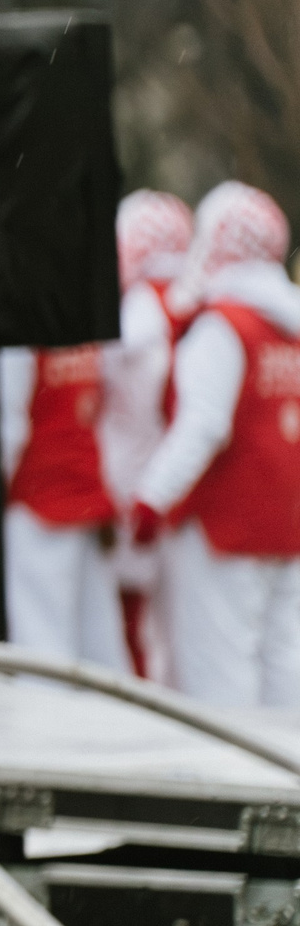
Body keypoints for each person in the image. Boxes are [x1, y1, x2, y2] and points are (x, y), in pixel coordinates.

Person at [131, 182, 300, 708]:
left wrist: (152, 497)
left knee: (217, 663)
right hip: (286, 518)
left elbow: (202, 425)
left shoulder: (223, 326)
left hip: (225, 523)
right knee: (283, 658)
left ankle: (230, 779)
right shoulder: (289, 327)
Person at [101, 190, 194, 678]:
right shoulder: (197, 306)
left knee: (131, 627)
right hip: (183, 490)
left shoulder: (138, 310)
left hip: (133, 480)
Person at [0, 336, 127, 668]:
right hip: (83, 492)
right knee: (97, 642)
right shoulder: (81, 319)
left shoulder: (19, 330)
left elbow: (7, 427)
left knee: (41, 641)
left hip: (39, 499)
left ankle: (49, 718)